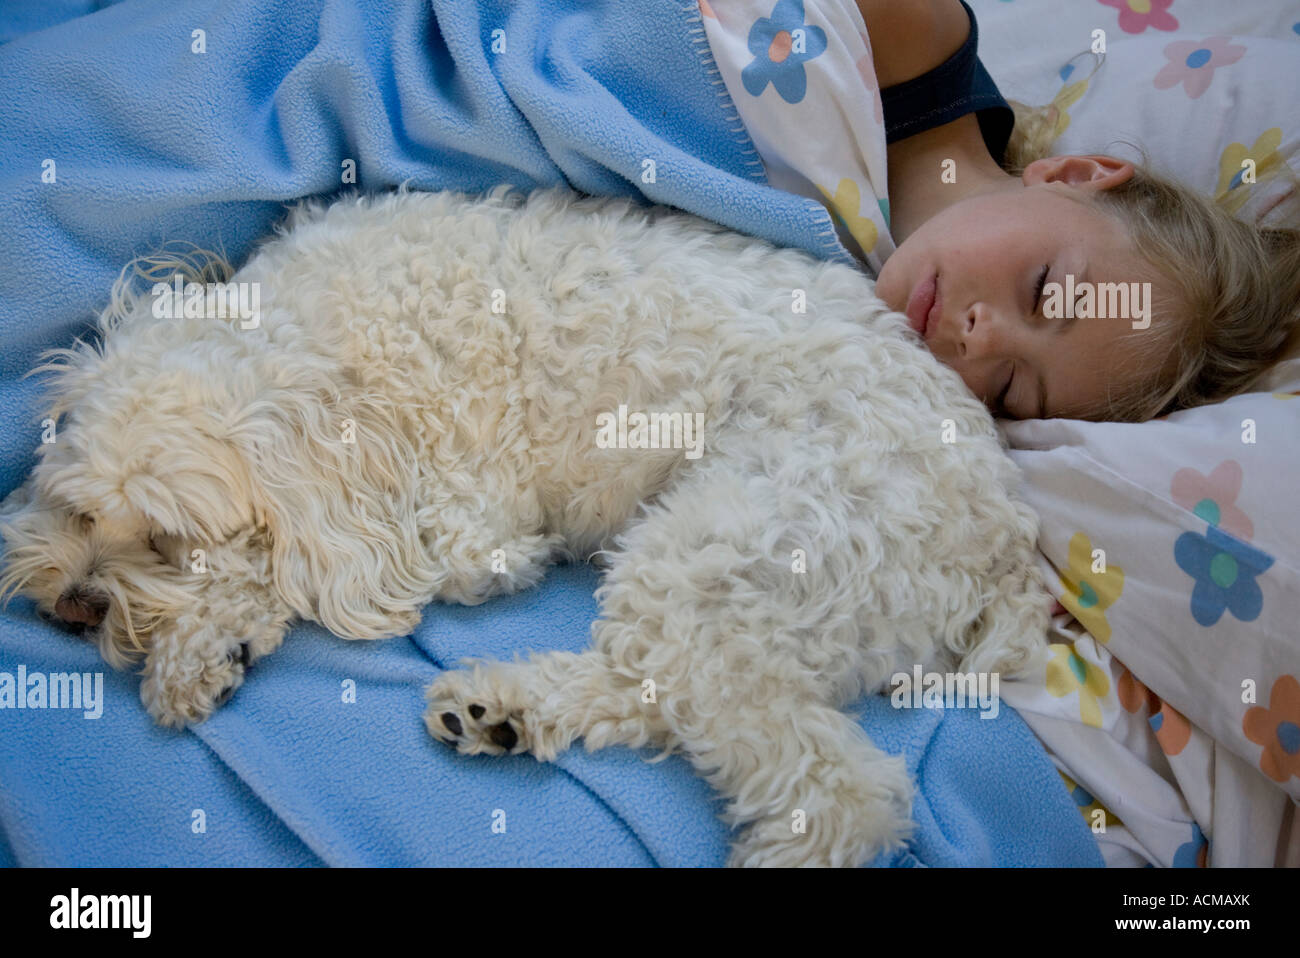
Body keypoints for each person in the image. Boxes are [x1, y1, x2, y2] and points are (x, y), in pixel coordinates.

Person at [857, 0, 1300, 421]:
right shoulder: (908, 33)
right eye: (1040, 288)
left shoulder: (847, 317)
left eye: (1010, 388)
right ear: (1074, 176)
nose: (982, 340)